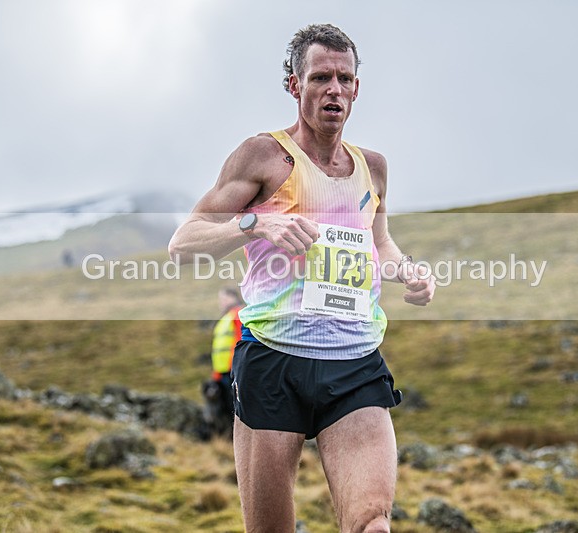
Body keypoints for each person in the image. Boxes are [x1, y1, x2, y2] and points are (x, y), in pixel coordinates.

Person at [169, 23, 435, 533]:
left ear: (357, 87)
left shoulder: (373, 168)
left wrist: (408, 273)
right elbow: (183, 241)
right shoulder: (263, 157)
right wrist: (256, 222)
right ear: (295, 85)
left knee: (373, 526)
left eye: (344, 78)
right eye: (320, 78)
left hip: (354, 363)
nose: (333, 90)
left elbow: (379, 243)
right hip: (273, 361)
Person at [201, 286, 243, 439]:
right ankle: (229, 441)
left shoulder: (238, 314)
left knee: (236, 410)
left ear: (233, 297)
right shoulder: (224, 318)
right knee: (226, 408)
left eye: (224, 298)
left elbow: (241, 339)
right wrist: (216, 374)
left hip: (234, 371)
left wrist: (237, 367)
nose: (221, 302)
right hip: (222, 373)